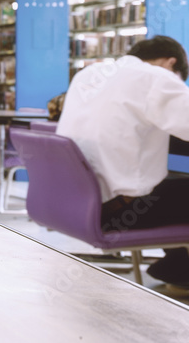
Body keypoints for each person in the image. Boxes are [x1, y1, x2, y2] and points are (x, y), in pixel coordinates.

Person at [56, 35, 189, 287]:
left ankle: (175, 268)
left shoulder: (90, 73)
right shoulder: (157, 78)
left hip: (78, 202)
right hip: (118, 210)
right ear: (171, 64)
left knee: (172, 185)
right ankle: (179, 271)